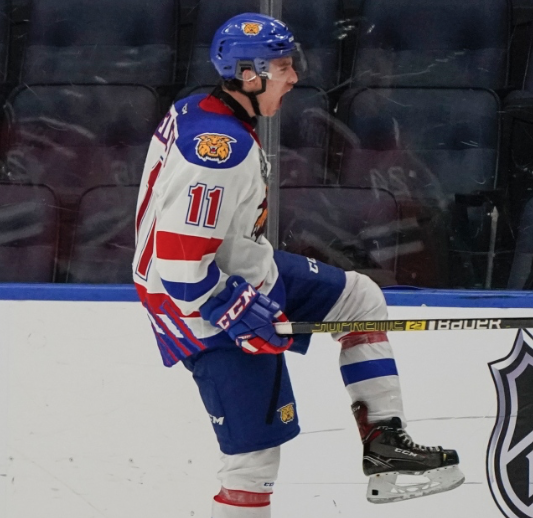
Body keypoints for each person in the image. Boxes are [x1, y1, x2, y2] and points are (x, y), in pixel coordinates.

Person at [132, 12, 464, 518]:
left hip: (241, 272)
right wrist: (238, 310)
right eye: (282, 67)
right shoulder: (219, 151)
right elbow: (178, 267)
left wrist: (245, 292)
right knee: (252, 463)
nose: (293, 77)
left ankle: (384, 448)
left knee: (359, 298)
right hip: (195, 306)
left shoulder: (202, 110)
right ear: (248, 75)